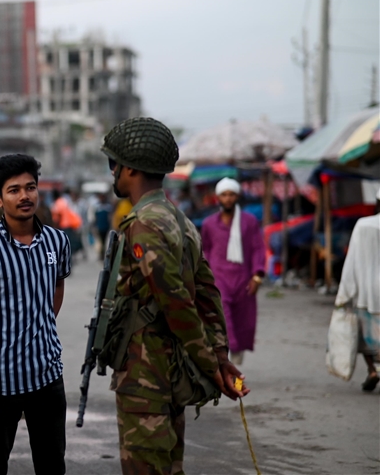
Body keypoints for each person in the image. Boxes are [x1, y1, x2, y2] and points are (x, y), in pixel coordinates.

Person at [100, 117, 248, 474]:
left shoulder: (143, 223)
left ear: (130, 169)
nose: (112, 174)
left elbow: (175, 300)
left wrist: (213, 366)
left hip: (146, 373)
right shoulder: (179, 220)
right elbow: (208, 294)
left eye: (113, 165)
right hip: (169, 369)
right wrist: (219, 353)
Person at [0, 154, 71, 475]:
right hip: (1, 381)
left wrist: (39, 325)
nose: (24, 196)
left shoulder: (57, 241)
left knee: (52, 463)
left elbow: (58, 287)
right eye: (13, 190)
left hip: (48, 377)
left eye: (30, 187)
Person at [201, 178, 266, 365]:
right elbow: (204, 250)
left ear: (237, 196)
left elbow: (257, 249)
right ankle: (227, 358)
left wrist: (257, 276)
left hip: (243, 279)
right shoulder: (209, 224)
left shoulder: (249, 222)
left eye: (231, 194)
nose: (228, 199)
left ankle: (235, 354)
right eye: (224, 195)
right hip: (218, 278)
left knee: (243, 322)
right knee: (224, 319)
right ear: (218, 198)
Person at [334, 188, 380, 392]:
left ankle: (373, 369)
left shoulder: (363, 225)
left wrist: (345, 290)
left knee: (365, 334)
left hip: (366, 288)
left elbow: (352, 260)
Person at [93, 193, 114, 261]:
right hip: (100, 226)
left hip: (106, 226)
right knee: (101, 241)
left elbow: (110, 217)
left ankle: (103, 254)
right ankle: (101, 254)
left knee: (104, 241)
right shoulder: (98, 207)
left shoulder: (108, 207)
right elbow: (95, 217)